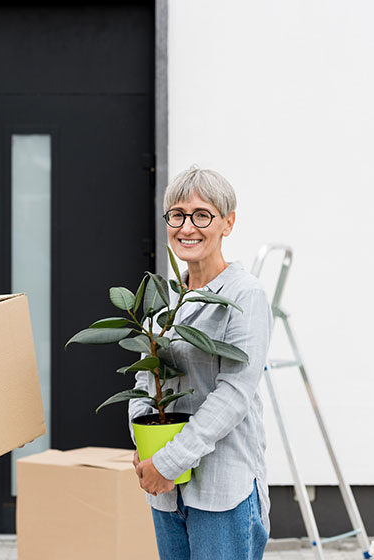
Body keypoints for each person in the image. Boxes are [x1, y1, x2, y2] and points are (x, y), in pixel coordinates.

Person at [128, 166, 272, 560]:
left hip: (222, 489)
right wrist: (143, 447)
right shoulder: (165, 298)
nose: (187, 227)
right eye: (177, 215)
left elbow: (234, 394)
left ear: (228, 223)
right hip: (166, 490)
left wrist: (169, 461)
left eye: (202, 215)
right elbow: (145, 380)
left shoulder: (245, 295)